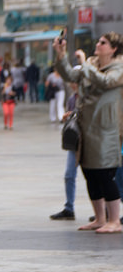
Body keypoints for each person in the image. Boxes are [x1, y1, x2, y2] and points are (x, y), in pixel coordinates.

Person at [52, 32, 123, 233]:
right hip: (86, 127)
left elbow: (106, 82)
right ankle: (100, 218)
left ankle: (115, 221)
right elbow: (70, 76)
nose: (98, 45)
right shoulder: (91, 63)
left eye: (103, 43)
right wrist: (61, 54)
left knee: (105, 173)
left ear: (114, 48)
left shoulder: (119, 67)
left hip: (106, 128)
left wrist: (86, 65)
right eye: (99, 41)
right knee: (89, 172)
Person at [50, 81, 80, 220]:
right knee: (69, 175)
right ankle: (69, 208)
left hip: (90, 142)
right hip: (75, 142)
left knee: (97, 177)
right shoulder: (71, 99)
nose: (73, 84)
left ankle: (104, 210)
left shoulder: (91, 97)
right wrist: (67, 118)